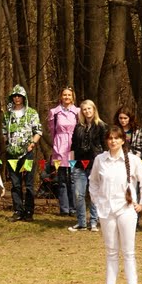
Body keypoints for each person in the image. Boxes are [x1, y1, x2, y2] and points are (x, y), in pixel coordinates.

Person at [89, 126, 142, 284]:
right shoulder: (100, 160)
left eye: (116, 138)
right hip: (106, 211)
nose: (113, 141)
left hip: (126, 210)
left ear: (123, 141)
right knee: (111, 251)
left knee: (129, 252)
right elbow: (93, 182)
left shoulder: (132, 160)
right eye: (110, 138)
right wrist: (96, 200)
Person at [2, 84, 42, 222]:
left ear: (24, 98)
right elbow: (3, 132)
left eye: (19, 96)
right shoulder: (7, 115)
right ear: (12, 98)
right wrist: (7, 143)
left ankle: (29, 211)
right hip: (11, 154)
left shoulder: (32, 113)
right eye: (15, 96)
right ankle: (18, 210)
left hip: (27, 154)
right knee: (15, 183)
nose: (17, 98)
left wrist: (32, 144)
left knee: (29, 184)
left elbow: (38, 131)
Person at [69, 100, 108, 232]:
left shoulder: (101, 126)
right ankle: (81, 222)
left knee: (94, 194)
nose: (87, 111)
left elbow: (105, 146)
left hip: (95, 164)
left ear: (94, 109)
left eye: (89, 109)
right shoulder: (78, 127)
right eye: (84, 109)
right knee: (78, 194)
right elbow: (72, 147)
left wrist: (105, 164)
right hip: (79, 165)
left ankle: (93, 221)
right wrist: (71, 163)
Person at [48, 87, 79, 217]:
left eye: (69, 95)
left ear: (73, 97)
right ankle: (64, 208)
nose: (67, 97)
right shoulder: (54, 112)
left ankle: (73, 208)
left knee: (72, 178)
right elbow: (51, 131)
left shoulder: (78, 112)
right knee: (61, 179)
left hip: (72, 147)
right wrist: (55, 145)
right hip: (59, 147)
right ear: (61, 97)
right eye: (64, 95)